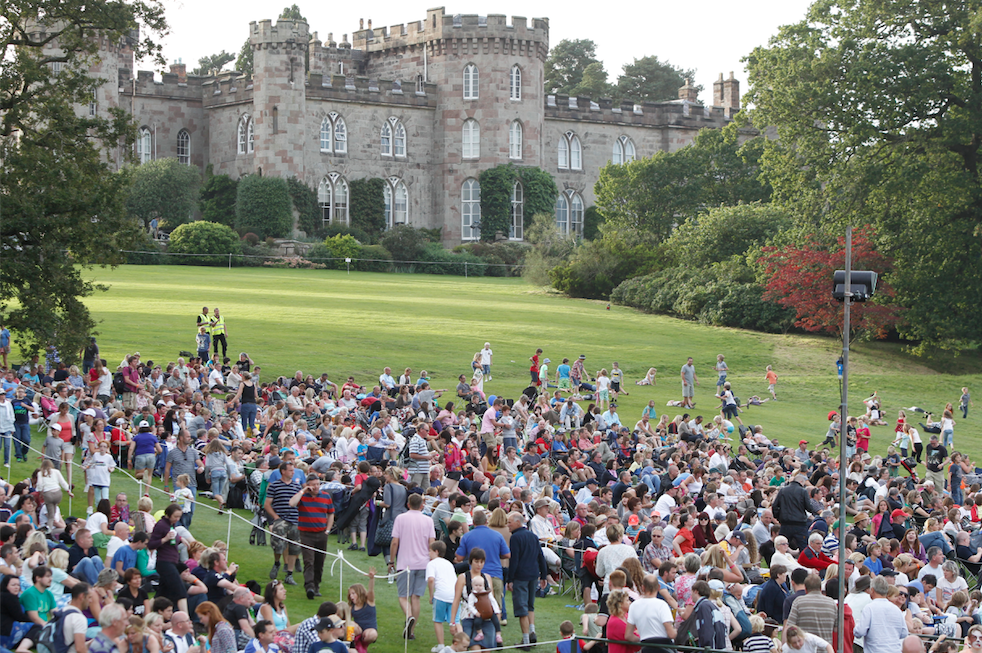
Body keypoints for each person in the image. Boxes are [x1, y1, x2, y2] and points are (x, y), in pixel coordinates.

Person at [390, 492, 435, 639]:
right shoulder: (428, 520)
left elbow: (395, 542)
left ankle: (409, 617)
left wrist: (391, 560)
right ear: (422, 505)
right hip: (423, 563)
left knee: (403, 596)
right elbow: (432, 543)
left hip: (405, 564)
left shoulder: (400, 518)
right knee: (415, 598)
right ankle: (411, 631)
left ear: (408, 504)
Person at [505, 511, 547, 648]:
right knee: (530, 605)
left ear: (518, 522)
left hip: (521, 576)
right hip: (533, 575)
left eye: (509, 522)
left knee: (521, 608)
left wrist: (510, 579)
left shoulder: (515, 538)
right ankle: (532, 631)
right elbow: (541, 556)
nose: (508, 525)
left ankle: (526, 640)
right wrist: (544, 575)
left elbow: (514, 559)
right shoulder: (533, 536)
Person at [291, 473, 335, 600]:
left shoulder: (326, 496)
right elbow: (292, 503)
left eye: (318, 484)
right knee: (309, 561)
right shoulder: (303, 496)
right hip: (306, 534)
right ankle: (309, 586)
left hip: (321, 534)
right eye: (313, 485)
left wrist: (327, 530)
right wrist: (303, 490)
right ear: (308, 485)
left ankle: (316, 585)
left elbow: (331, 513)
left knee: (319, 562)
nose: (316, 487)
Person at [265, 461, 303, 585]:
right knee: (277, 544)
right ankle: (277, 562)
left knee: (295, 547)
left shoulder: (297, 486)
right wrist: (275, 517)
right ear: (283, 471)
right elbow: (267, 504)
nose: (293, 472)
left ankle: (290, 574)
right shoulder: (275, 485)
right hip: (281, 519)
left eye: (293, 470)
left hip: (295, 520)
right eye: (290, 470)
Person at [148, 504, 189, 614]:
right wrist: (165, 539)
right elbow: (151, 544)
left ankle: (145, 612)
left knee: (162, 593)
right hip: (164, 562)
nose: (177, 519)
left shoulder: (171, 524)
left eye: (179, 517)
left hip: (172, 561)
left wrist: (180, 538)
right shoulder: (161, 525)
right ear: (168, 514)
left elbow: (173, 536)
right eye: (175, 516)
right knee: (180, 591)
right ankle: (186, 618)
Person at [854, 576, 909, 653]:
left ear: (872, 590)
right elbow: (904, 633)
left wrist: (856, 626)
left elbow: (860, 632)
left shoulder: (869, 608)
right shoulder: (896, 609)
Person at [624, 573, 676, 653]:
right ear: (658, 587)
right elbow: (671, 634)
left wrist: (643, 640)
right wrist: (676, 631)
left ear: (643, 588)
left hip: (646, 647)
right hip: (664, 647)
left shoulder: (634, 605)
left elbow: (628, 635)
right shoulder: (662, 605)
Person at [427, 541, 458, 652]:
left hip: (440, 595)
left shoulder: (431, 564)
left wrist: (431, 596)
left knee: (438, 620)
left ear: (436, 551)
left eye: (430, 551)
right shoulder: (449, 563)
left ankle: (441, 645)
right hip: (454, 595)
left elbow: (431, 580)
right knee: (455, 620)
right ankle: (461, 644)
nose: (428, 553)